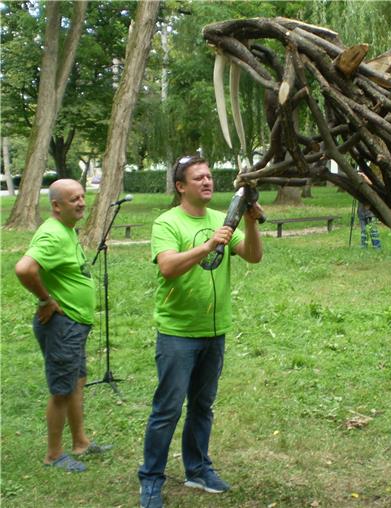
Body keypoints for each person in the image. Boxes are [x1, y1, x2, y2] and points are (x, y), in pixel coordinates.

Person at [138, 155, 263, 508]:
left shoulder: (221, 219)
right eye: (199, 178)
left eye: (209, 176)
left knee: (203, 406)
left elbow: (253, 256)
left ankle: (197, 469)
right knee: (168, 408)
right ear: (181, 186)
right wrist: (208, 246)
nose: (208, 182)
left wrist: (251, 223)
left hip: (214, 330)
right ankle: (150, 479)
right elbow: (167, 267)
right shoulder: (167, 222)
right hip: (177, 333)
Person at [15, 179, 111, 473]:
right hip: (62, 326)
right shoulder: (54, 235)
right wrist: (45, 300)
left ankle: (80, 441)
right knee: (62, 390)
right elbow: (24, 269)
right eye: (73, 199)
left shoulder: (66, 230)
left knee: (76, 383)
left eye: (82, 196)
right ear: (57, 206)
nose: (81, 202)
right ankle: (54, 455)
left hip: (74, 325)